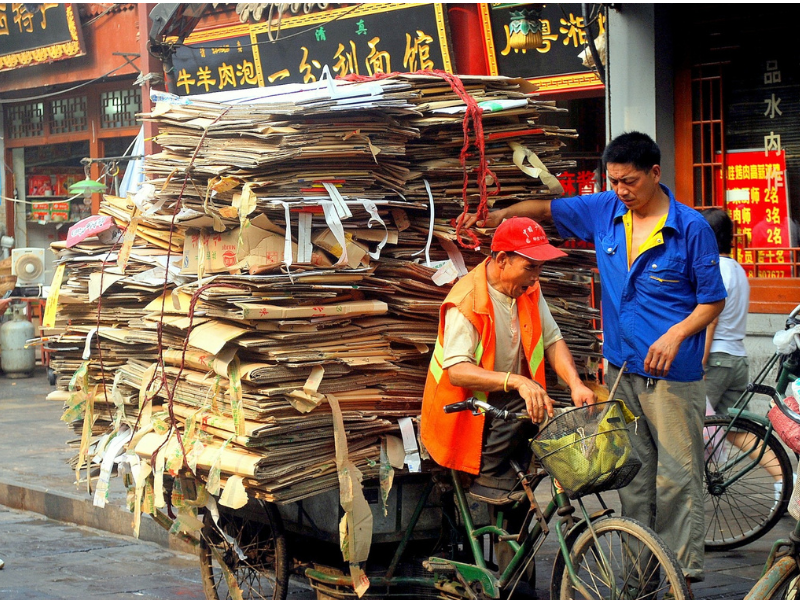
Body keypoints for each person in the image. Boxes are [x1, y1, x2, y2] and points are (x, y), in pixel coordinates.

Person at [460, 132, 726, 585]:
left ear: (655, 174)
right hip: (622, 372)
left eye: (630, 181)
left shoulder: (691, 227)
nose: (622, 190)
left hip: (672, 376)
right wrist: (499, 216)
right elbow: (544, 211)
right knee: (633, 479)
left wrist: (677, 334)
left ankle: (680, 575)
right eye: (615, 181)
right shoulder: (606, 209)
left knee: (678, 477)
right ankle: (640, 577)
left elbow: (712, 300)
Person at [420, 216, 596, 505]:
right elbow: (456, 371)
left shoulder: (527, 289)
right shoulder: (467, 301)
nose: (536, 276)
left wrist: (576, 384)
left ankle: (511, 529)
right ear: (502, 259)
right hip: (463, 414)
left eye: (540, 268)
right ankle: (490, 479)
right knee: (524, 401)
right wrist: (516, 381)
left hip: (503, 414)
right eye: (531, 267)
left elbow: (552, 340)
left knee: (519, 508)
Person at [701, 208, 750, 414]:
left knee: (691, 422)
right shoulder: (738, 269)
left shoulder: (715, 269)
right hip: (738, 358)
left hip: (716, 357)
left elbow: (711, 320)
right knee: (736, 430)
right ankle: (768, 449)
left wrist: (700, 363)